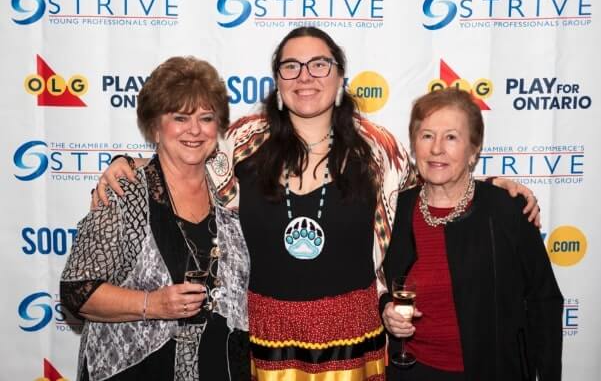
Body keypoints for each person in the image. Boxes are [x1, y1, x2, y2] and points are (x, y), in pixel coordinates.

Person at [93, 27, 540, 380]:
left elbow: (432, 181)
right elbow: (184, 158)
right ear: (278, 81)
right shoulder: (242, 142)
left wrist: (493, 188)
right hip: (263, 339)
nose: (305, 76)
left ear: (341, 78)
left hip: (355, 339)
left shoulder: (378, 147)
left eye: (319, 64)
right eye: (291, 66)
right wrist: (127, 163)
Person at [60, 56, 250, 381]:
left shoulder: (228, 188)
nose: (194, 130)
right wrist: (153, 304)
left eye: (206, 118)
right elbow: (77, 291)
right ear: (154, 127)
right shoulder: (125, 193)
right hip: (137, 371)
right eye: (180, 117)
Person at [380, 88, 563, 381]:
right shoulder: (393, 210)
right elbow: (371, 283)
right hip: (408, 372)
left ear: (474, 149)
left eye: (451, 137)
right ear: (414, 145)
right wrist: (384, 309)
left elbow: (544, 300)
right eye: (427, 135)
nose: (437, 148)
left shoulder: (506, 209)